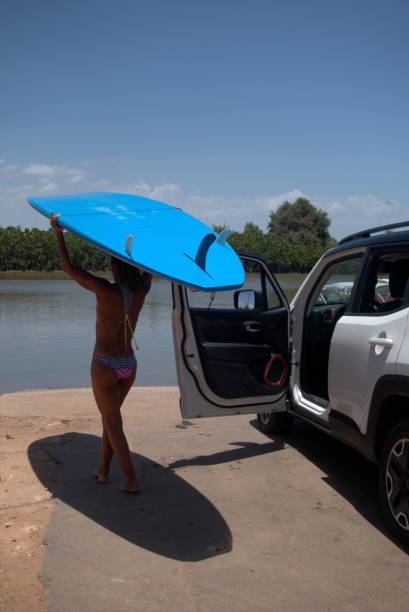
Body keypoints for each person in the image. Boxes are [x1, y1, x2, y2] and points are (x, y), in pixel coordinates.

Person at [51, 214, 152, 493]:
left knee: (112, 422)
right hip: (128, 364)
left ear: (114, 267)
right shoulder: (142, 290)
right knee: (111, 417)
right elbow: (152, 266)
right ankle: (104, 470)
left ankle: (131, 480)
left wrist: (59, 232)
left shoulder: (104, 290)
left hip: (105, 364)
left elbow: (68, 267)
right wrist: (152, 237)